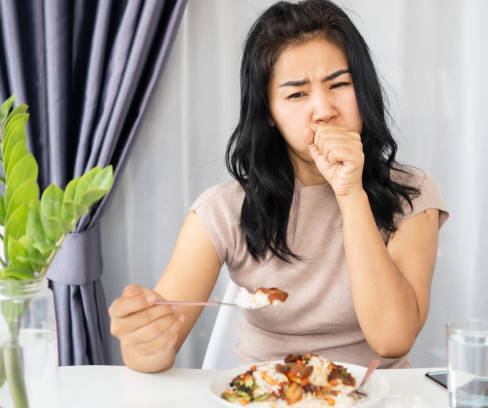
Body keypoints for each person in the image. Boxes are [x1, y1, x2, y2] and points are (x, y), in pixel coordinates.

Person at [109, 0, 449, 373]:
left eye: (339, 84)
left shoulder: (411, 195)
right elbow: (160, 347)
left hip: (379, 396)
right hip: (265, 395)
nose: (323, 109)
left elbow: (392, 340)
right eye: (297, 94)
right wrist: (143, 342)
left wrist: (350, 194)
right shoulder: (223, 210)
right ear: (268, 113)